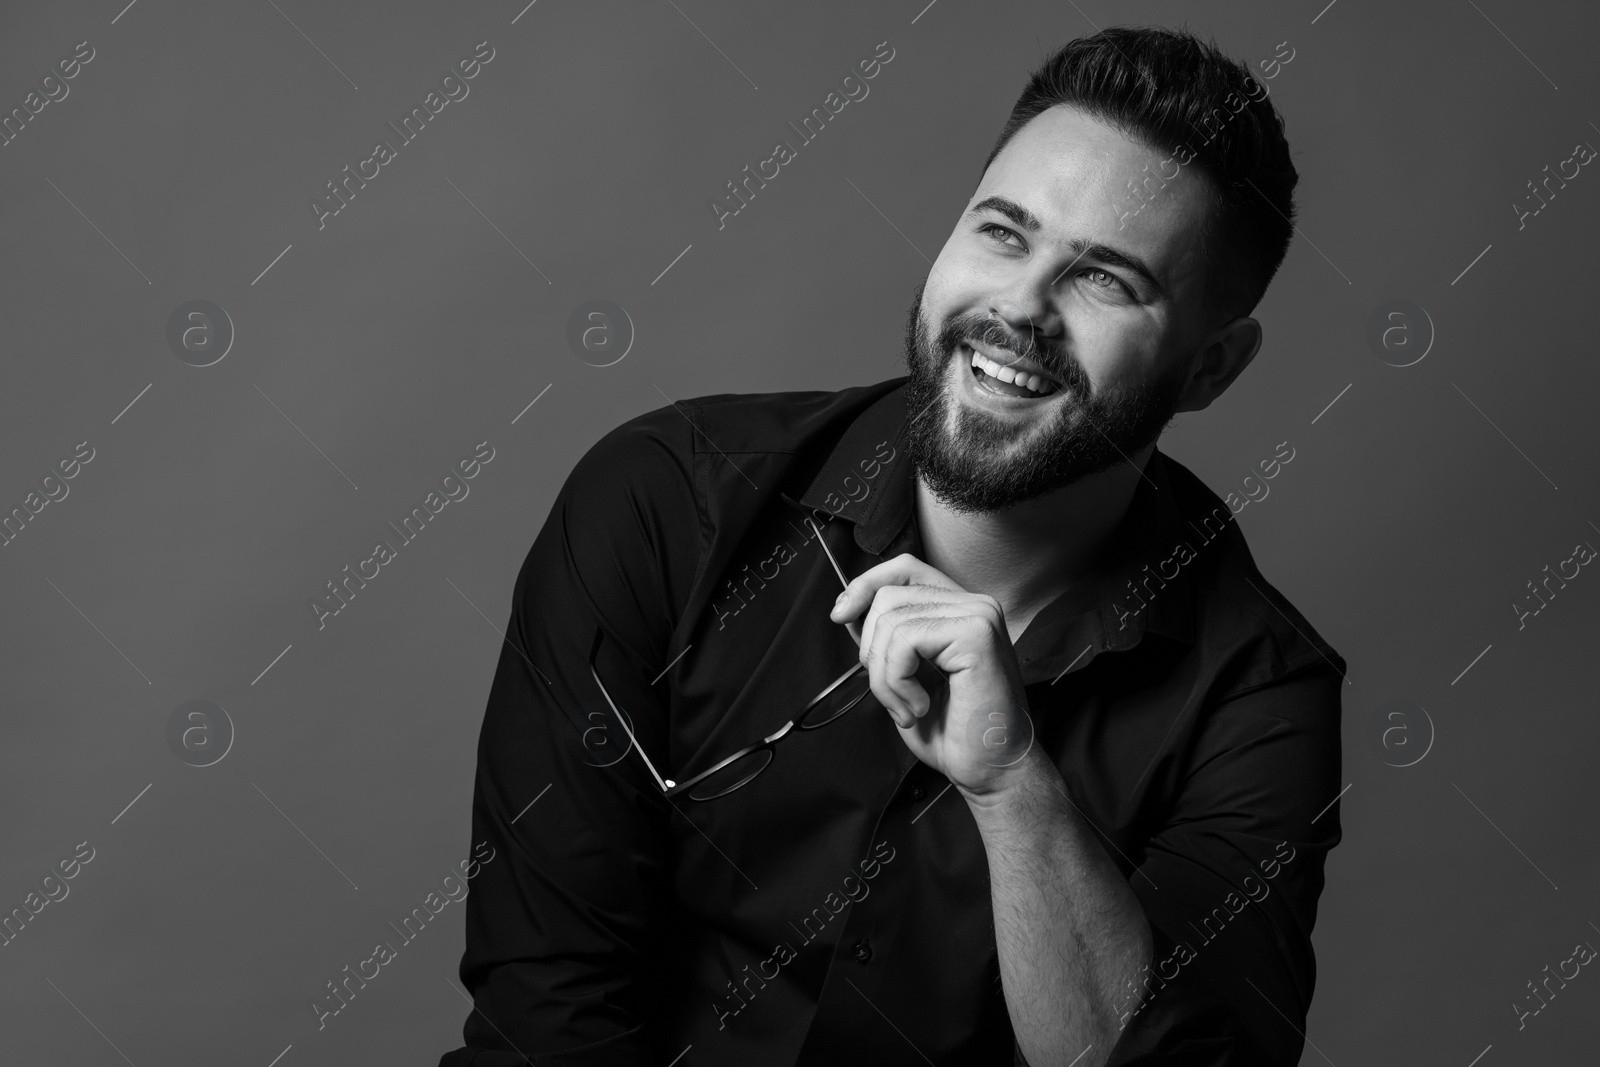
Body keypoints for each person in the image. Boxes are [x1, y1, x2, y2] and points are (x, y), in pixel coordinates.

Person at [440, 24, 1345, 1067]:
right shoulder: (662, 507)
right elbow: (544, 1021)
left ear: (1211, 369)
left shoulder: (1257, 691)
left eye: (1104, 280)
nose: (1018, 307)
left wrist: (1013, 786)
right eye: (1003, 233)